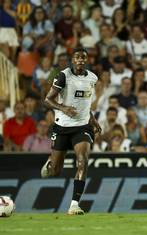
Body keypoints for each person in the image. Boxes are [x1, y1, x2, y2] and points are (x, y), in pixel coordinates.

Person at [40, 47, 101, 216]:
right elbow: (47, 99)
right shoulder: (63, 76)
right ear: (72, 61)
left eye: (84, 57)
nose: (81, 59)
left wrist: (92, 118)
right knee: (56, 171)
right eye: (77, 57)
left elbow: (84, 102)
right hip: (62, 127)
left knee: (83, 160)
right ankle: (51, 162)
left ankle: (74, 205)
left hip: (82, 127)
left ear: (87, 61)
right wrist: (63, 108)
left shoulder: (92, 78)